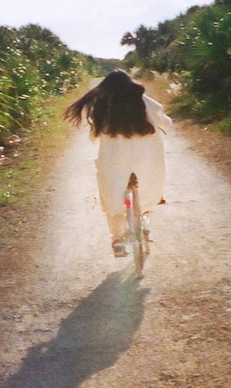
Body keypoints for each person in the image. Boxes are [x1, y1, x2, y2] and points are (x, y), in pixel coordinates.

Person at [64, 70, 172, 256]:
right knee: (149, 188)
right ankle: (144, 224)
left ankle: (117, 239)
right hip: (146, 159)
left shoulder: (104, 107)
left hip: (115, 161)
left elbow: (95, 134)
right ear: (130, 84)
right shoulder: (144, 101)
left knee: (112, 197)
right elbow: (164, 122)